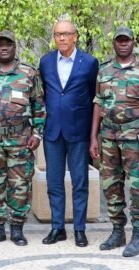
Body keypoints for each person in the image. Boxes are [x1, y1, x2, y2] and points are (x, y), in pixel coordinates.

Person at [90, 28, 139, 257]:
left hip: (136, 136)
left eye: (127, 40)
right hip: (109, 136)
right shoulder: (104, 70)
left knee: (138, 186)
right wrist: (93, 136)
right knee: (111, 185)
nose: (123, 44)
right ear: (114, 44)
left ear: (133, 42)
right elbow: (98, 103)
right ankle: (117, 230)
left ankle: (138, 234)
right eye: (119, 41)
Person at [0, 31, 45, 246]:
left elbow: (39, 106)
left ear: (15, 48)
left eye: (8, 44)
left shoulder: (29, 73)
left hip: (21, 138)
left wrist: (37, 133)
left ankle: (17, 228)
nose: (3, 48)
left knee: (20, 184)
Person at [38, 19, 98, 247]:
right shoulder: (45, 62)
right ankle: (57, 227)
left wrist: (94, 134)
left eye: (66, 34)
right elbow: (43, 94)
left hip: (79, 132)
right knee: (54, 182)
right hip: (53, 132)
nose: (62, 38)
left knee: (80, 182)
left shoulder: (90, 62)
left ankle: (80, 229)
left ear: (76, 36)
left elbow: (94, 96)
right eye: (58, 34)